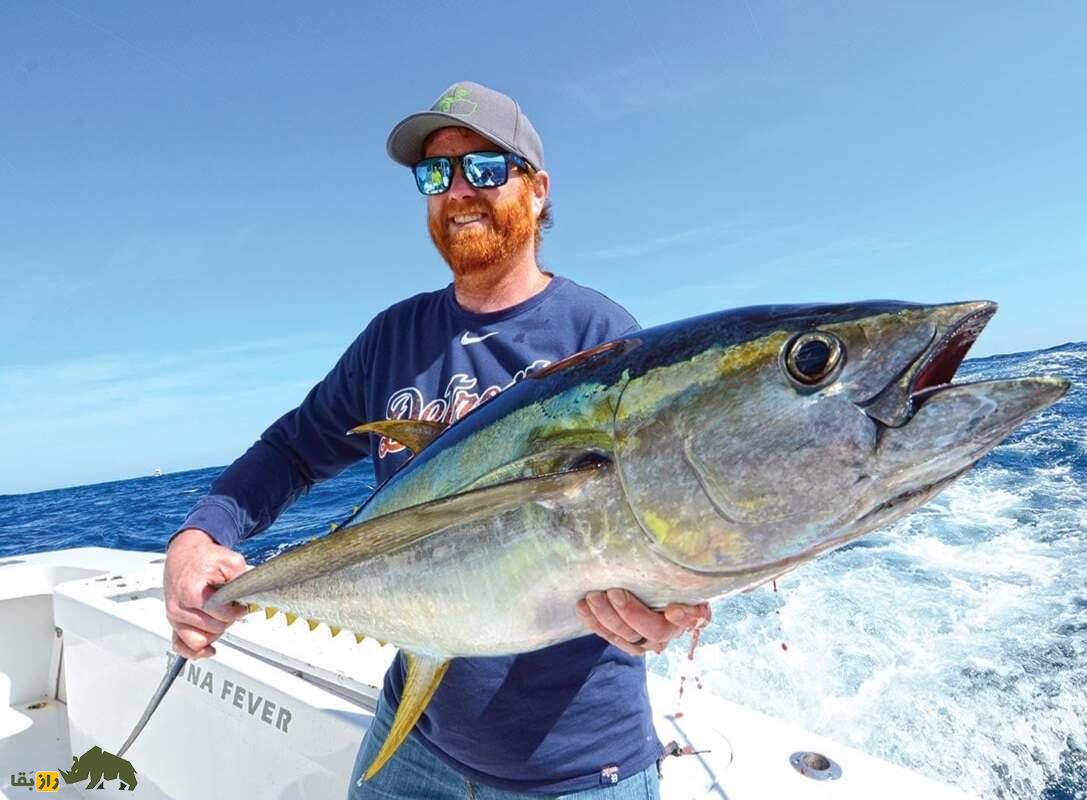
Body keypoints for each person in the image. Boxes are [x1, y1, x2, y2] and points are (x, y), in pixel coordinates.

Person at [162, 81, 711, 799]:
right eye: (436, 174)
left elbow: (662, 507)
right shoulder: (393, 337)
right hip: (415, 738)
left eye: (484, 168)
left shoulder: (599, 337)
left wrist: (663, 604)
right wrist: (202, 534)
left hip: (576, 770)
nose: (457, 191)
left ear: (538, 191)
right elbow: (291, 451)